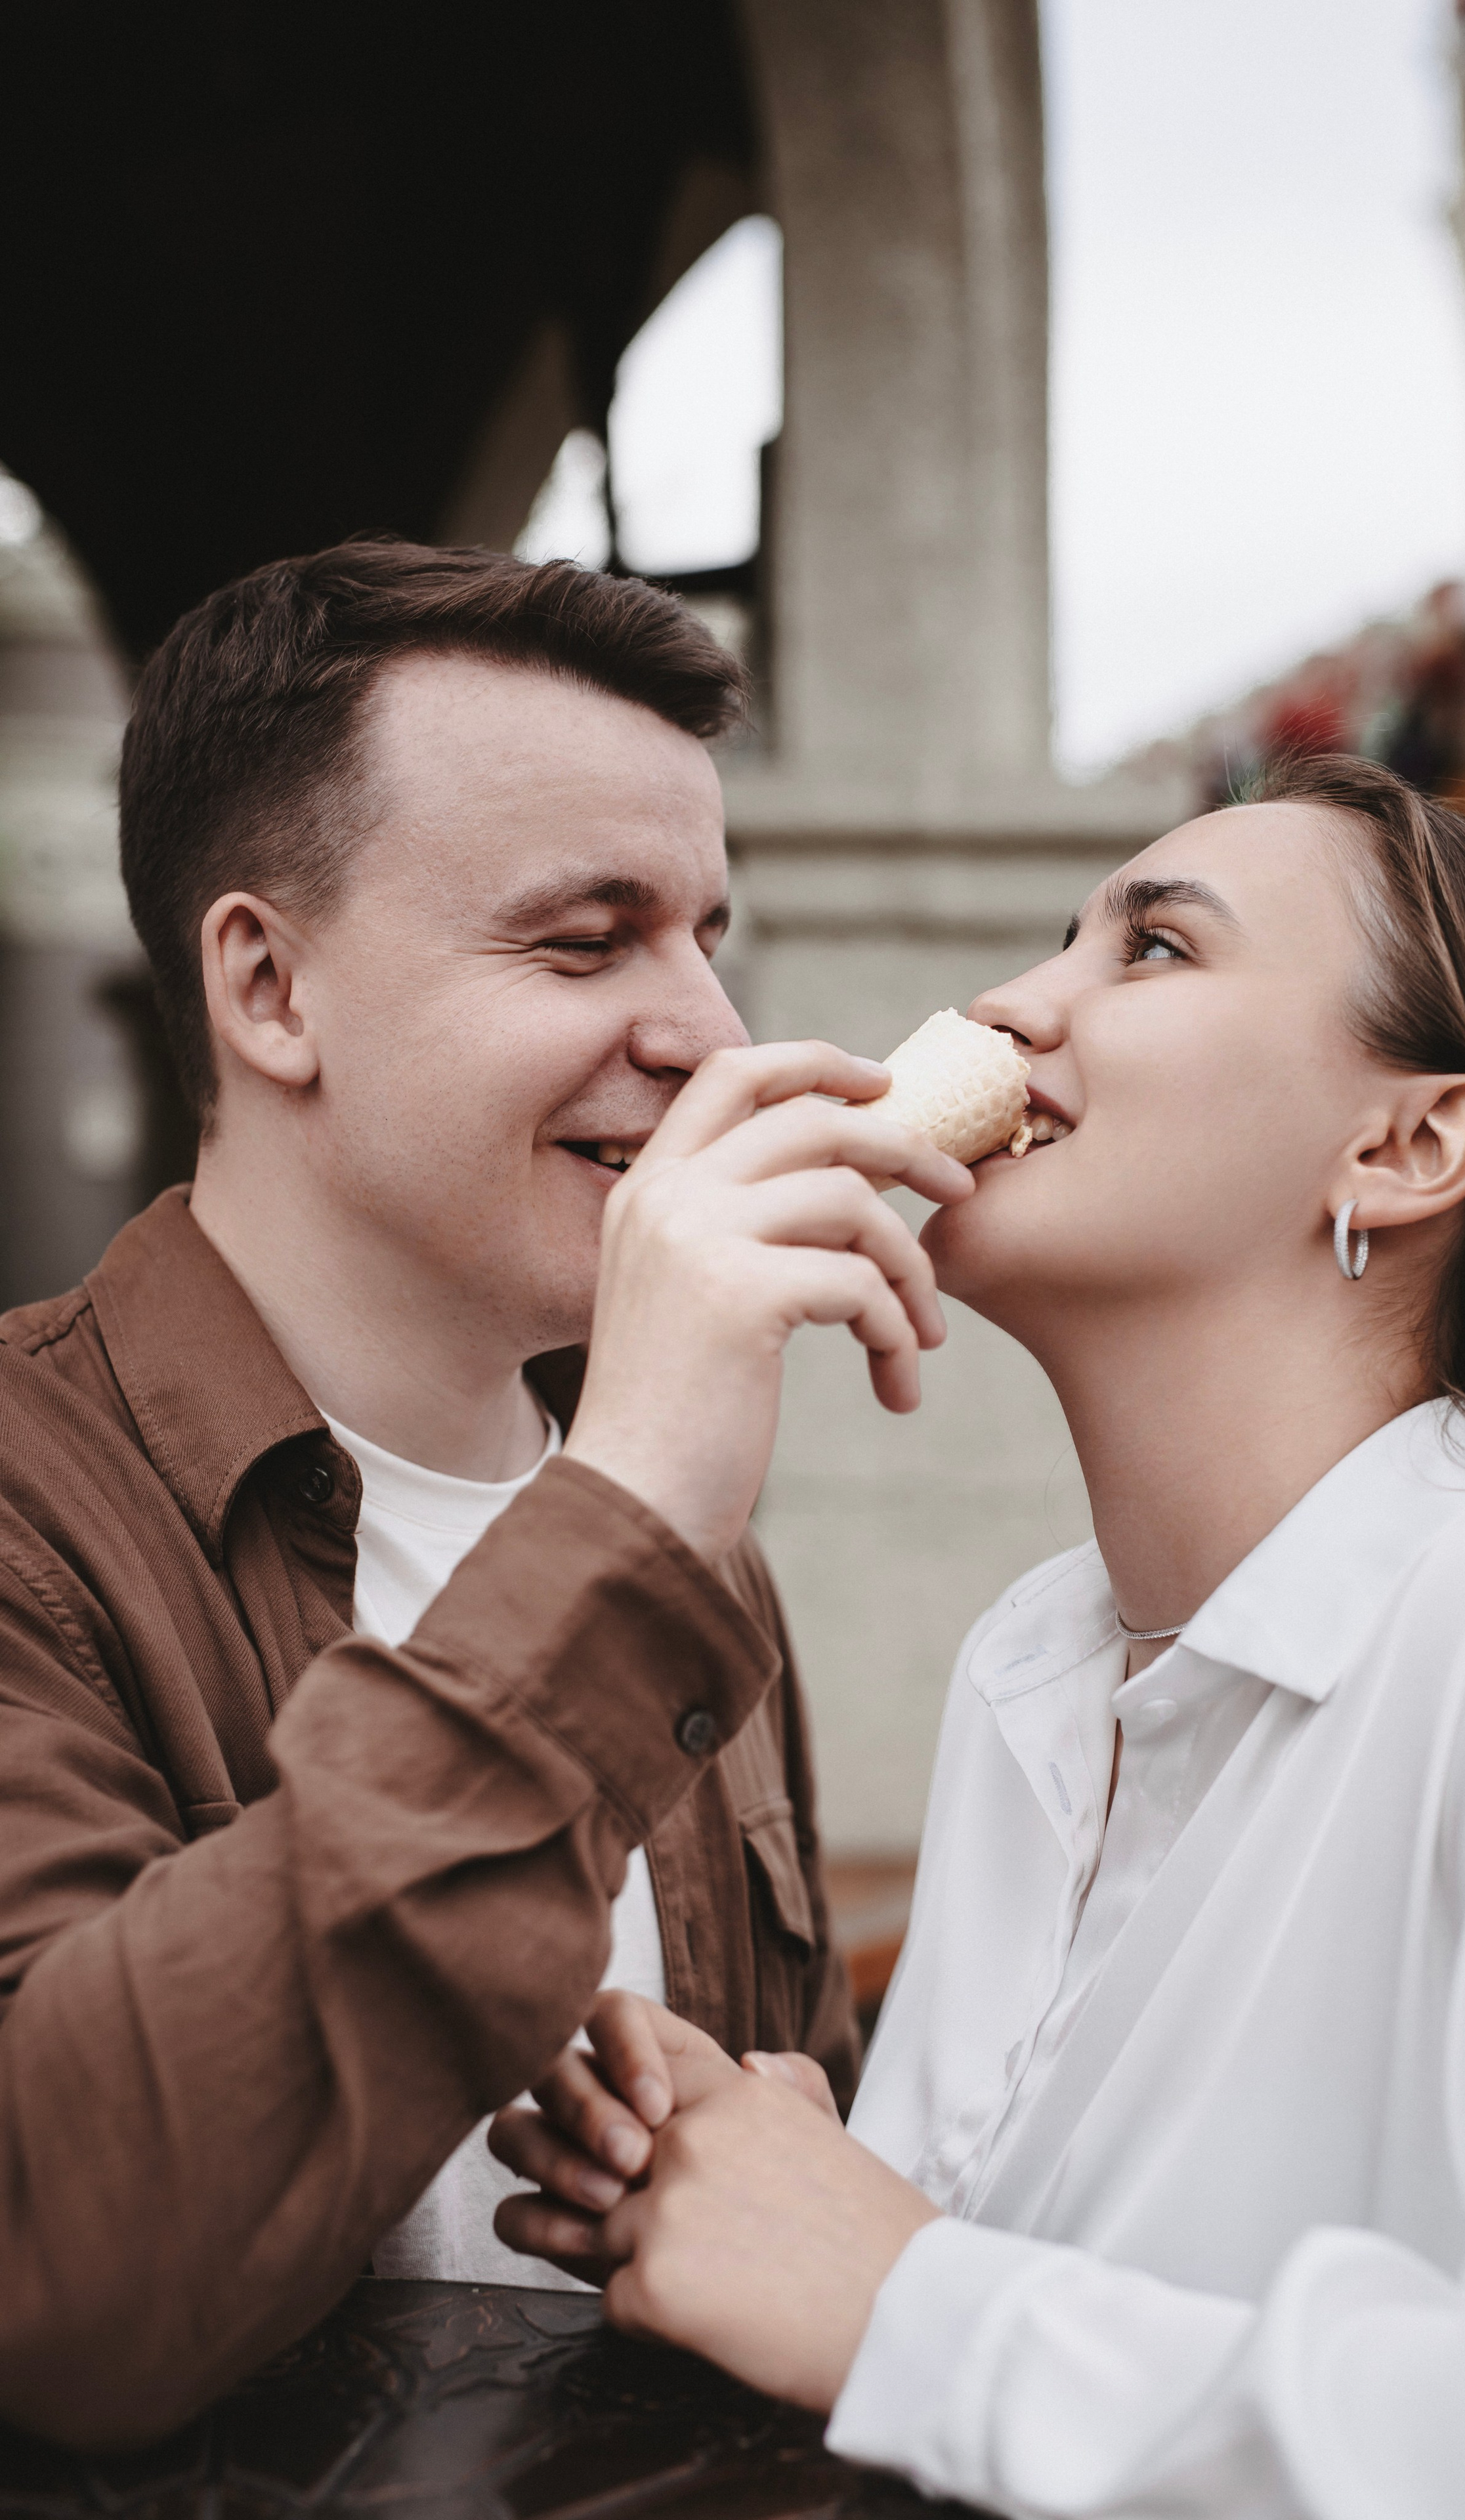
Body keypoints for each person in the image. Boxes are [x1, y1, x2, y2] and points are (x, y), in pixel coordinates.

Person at [490, 753, 1465, 2518]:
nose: (1007, 1003)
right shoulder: (1039, 1664)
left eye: (1154, 952)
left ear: (1407, 1145)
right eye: (1064, 937)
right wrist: (773, 2182)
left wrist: (894, 2292)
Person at [0, 538, 975, 2446]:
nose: (704, 1027)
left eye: (709, 931)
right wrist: (622, 1519)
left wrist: (788, 2161)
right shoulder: (36, 1499)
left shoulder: (689, 1545)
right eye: (585, 939)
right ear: (270, 988)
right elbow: (59, 2263)